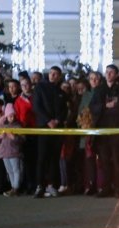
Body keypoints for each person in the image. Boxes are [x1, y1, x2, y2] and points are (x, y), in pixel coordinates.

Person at [90, 64, 119, 197]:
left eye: (111, 72)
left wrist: (110, 108)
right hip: (103, 131)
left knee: (118, 161)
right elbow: (93, 107)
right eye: (107, 72)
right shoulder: (100, 90)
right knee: (104, 161)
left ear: (116, 74)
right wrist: (107, 106)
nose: (109, 74)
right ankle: (106, 188)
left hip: (117, 131)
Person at [33, 66, 69, 198]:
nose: (53, 76)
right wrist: (48, 121)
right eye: (52, 73)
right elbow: (37, 106)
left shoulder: (61, 93)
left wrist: (57, 121)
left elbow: (64, 111)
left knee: (54, 158)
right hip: (44, 128)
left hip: (57, 130)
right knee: (42, 158)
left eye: (56, 74)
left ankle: (51, 185)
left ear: (59, 77)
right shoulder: (39, 88)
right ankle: (39, 186)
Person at [0, 104, 25, 197]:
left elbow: (23, 139)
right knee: (9, 171)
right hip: (4, 152)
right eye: (10, 115)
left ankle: (16, 188)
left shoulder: (18, 126)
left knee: (16, 170)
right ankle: (13, 187)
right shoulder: (2, 125)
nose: (12, 117)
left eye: (13, 115)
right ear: (6, 116)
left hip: (15, 151)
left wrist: (14, 137)